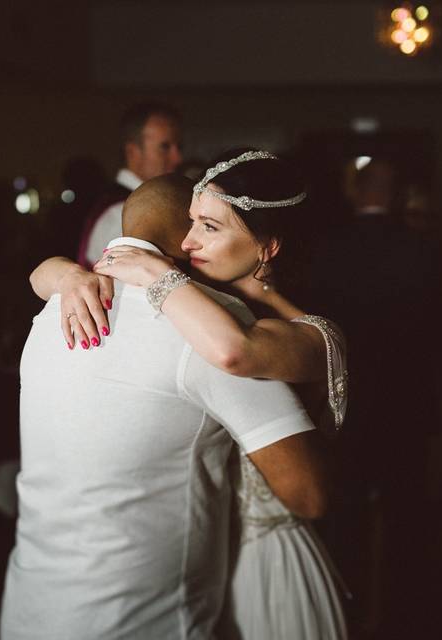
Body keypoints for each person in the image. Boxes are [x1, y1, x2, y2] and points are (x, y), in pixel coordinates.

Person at [32, 152, 349, 638]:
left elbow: (234, 351)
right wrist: (67, 274)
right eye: (190, 222)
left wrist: (156, 272)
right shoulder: (208, 310)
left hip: (266, 556)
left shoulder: (308, 334)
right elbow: (39, 278)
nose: (185, 242)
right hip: (201, 558)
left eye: (208, 227)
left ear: (268, 247)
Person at [76, 102, 183, 267]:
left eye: (179, 147)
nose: (177, 158)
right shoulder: (122, 213)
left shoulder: (125, 205)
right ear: (132, 151)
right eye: (164, 147)